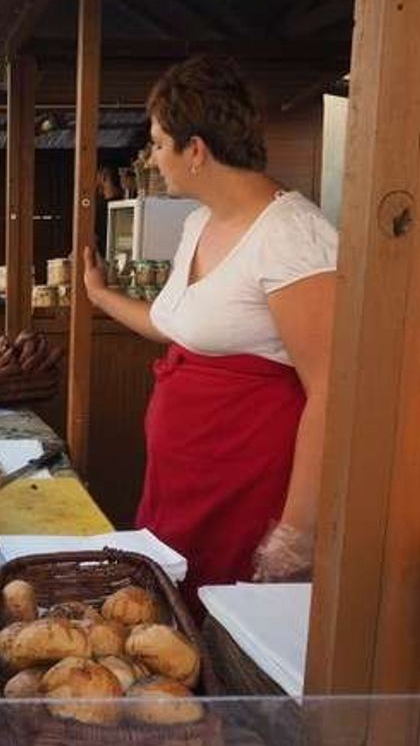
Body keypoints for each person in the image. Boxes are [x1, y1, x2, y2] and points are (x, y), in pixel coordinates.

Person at [82, 54, 336, 607]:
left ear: (195, 150)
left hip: (246, 487)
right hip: (182, 481)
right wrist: (101, 296)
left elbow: (331, 390)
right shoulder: (197, 223)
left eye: (157, 143)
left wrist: (295, 533)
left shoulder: (294, 236)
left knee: (224, 635)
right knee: (168, 619)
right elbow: (174, 325)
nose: (152, 158)